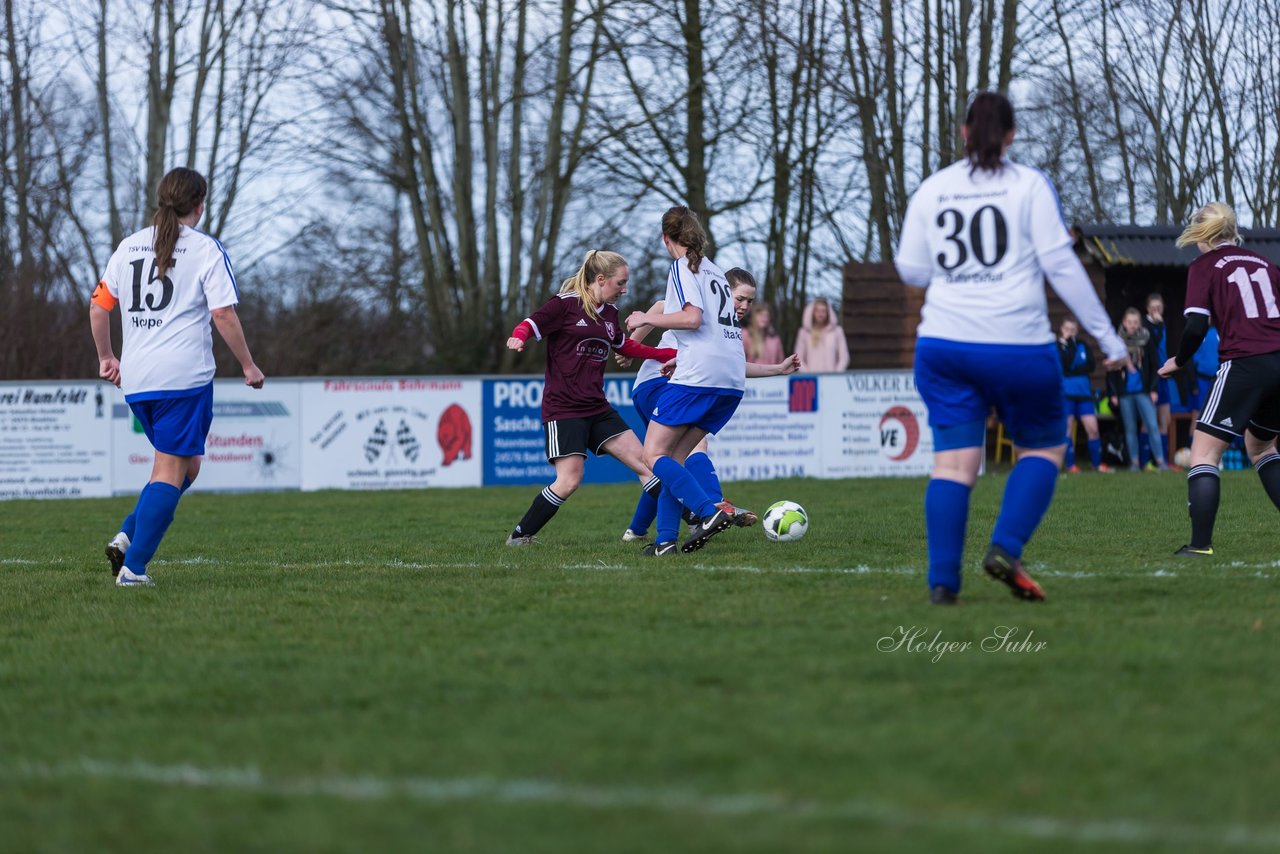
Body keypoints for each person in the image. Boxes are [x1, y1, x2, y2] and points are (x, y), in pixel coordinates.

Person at [893, 91, 1128, 605]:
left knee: (954, 465)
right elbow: (1061, 266)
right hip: (1017, 345)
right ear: (1012, 135)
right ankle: (1005, 547)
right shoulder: (1029, 186)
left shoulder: (934, 189)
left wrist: (959, 274)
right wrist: (1108, 339)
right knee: (1044, 448)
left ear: (963, 132)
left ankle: (942, 585)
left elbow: (910, 269)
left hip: (944, 344)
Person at [91, 167, 265, 587]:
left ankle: (128, 536)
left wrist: (107, 357)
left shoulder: (128, 247)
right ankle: (134, 570)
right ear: (200, 205)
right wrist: (248, 364)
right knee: (174, 470)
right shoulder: (205, 249)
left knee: (186, 468)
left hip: (137, 381)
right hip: (183, 379)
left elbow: (99, 308)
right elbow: (223, 313)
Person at [504, 249, 676, 545]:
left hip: (597, 407)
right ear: (600, 279)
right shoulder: (564, 305)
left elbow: (625, 347)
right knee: (569, 481)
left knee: (647, 463)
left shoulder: (609, 314)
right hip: (563, 409)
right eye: (620, 283)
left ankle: (698, 519)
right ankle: (520, 535)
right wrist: (520, 336)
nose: (625, 289)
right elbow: (532, 323)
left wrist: (670, 354)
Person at [622, 268, 800, 550]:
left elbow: (731, 366)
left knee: (670, 460)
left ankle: (662, 538)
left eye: (750, 302)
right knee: (678, 452)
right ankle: (711, 507)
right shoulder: (699, 308)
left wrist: (777, 369)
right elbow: (658, 307)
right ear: (723, 291)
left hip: (687, 382)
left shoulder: (729, 327)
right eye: (740, 298)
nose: (744, 306)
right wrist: (631, 345)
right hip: (657, 382)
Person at [1157, 201, 1280, 557]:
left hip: (1244, 362)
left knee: (1204, 453)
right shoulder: (1265, 263)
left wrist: (1178, 361)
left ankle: (1199, 547)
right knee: (1261, 447)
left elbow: (1196, 325)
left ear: (1202, 234)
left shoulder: (1205, 266)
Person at [624, 206, 747, 554]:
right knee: (674, 459)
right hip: (732, 377)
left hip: (700, 374)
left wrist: (644, 318)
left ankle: (708, 512)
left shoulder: (682, 266)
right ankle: (665, 541)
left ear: (667, 238)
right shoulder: (717, 272)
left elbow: (692, 319)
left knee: (653, 455)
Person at [1107, 308, 1170, 472]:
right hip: (1124, 393)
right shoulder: (1117, 342)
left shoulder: (1146, 339)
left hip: (1144, 391)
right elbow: (1111, 371)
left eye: (1136, 322)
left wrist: (1153, 389)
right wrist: (1112, 393)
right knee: (1130, 429)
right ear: (1124, 323)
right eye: (1129, 322)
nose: (1133, 325)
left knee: (1152, 425)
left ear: (1139, 323)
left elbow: (1154, 365)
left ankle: (1160, 462)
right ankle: (1134, 463)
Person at [1057, 316, 1108, 472]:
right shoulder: (1057, 346)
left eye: (1073, 330)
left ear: (1077, 331)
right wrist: (1069, 352)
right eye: (1067, 329)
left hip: (1084, 394)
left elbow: (1091, 366)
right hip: (1066, 395)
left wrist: (1074, 369)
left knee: (1093, 428)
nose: (1070, 332)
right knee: (1067, 430)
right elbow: (1063, 366)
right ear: (1061, 330)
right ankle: (1071, 465)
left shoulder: (1083, 345)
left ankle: (1097, 464)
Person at [1143, 294, 1176, 468]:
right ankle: (1144, 461)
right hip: (1150, 378)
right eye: (1153, 308)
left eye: (1159, 308)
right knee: (1148, 422)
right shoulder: (1145, 325)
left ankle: (1161, 461)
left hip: (1164, 377)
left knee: (1165, 419)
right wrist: (1159, 323)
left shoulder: (1162, 324)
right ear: (1147, 308)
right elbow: (1152, 345)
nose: (1156, 311)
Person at [795, 297, 849, 372]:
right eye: (817, 311)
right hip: (812, 380)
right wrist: (808, 375)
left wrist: (836, 375)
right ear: (812, 312)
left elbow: (844, 357)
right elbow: (798, 358)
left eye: (823, 311)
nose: (820, 314)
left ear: (828, 313)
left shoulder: (837, 331)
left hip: (832, 379)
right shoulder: (804, 333)